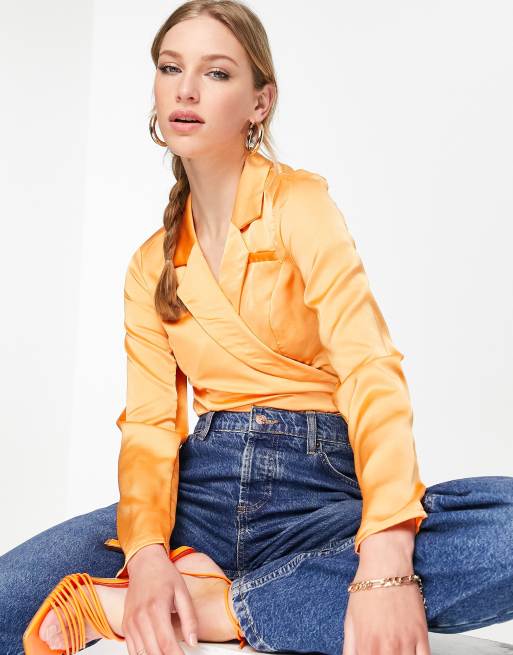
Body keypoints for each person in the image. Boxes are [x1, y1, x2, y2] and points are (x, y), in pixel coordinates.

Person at [2, 2, 513, 655]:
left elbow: (368, 366)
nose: (186, 89)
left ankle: (220, 607)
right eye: (170, 68)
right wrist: (149, 556)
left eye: (216, 73)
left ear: (259, 103)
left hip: (319, 496)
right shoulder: (148, 265)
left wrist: (385, 552)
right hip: (195, 501)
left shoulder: (298, 203)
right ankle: (250, 588)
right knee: (9, 600)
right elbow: (150, 429)